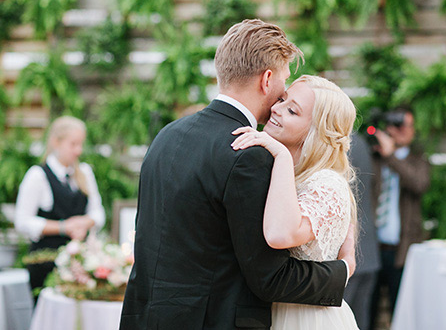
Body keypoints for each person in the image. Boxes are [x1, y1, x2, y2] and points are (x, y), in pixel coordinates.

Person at [120, 19, 356, 330]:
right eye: (284, 84)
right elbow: (269, 278)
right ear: (267, 80)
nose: (282, 95)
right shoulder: (247, 155)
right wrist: (343, 269)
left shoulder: (168, 136)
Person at [231, 75, 359, 329]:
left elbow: (280, 235)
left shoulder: (327, 184)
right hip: (269, 313)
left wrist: (281, 156)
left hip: (307, 318)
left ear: (316, 132)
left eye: (292, 110)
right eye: (282, 99)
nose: (275, 109)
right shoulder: (284, 174)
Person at [15, 116, 105, 292]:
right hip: (45, 264)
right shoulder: (37, 175)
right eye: (73, 144)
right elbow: (22, 221)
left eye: (80, 144)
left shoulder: (85, 173)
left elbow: (98, 213)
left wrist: (83, 223)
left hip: (79, 266)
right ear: (56, 142)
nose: (78, 150)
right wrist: (64, 227)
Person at [369, 108, 430, 329]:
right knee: (366, 312)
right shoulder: (374, 157)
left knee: (401, 314)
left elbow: (419, 184)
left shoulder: (417, 159)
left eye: (407, 125)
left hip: (401, 251)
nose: (402, 130)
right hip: (372, 249)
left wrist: (391, 156)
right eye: (397, 124)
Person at [344, 133, 380, 330]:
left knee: (340, 319)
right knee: (359, 319)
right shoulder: (361, 142)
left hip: (347, 251)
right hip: (368, 250)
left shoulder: (337, 144)